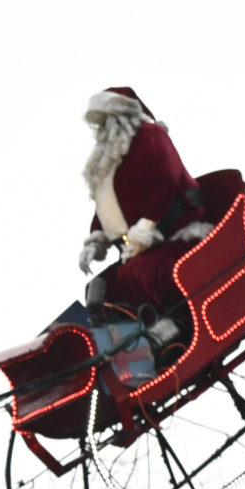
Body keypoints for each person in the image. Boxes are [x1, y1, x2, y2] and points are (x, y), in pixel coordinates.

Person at [75, 86, 212, 325]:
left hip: (177, 237)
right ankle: (121, 343)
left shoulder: (150, 135)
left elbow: (165, 183)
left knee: (137, 274)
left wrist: (144, 230)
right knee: (99, 290)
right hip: (140, 250)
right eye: (99, 123)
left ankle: (177, 326)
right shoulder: (110, 163)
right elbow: (107, 209)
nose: (102, 129)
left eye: (106, 119)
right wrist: (96, 241)